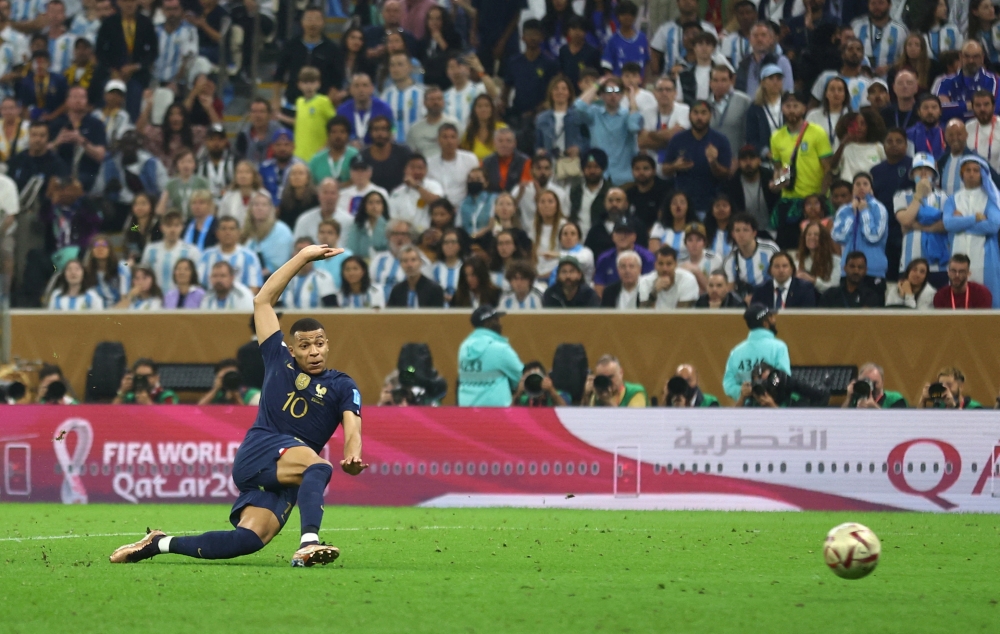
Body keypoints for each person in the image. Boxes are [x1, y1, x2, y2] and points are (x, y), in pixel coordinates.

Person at [111, 243, 366, 567]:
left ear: (327, 344)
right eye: (304, 346)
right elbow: (262, 300)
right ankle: (309, 543)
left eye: (319, 343)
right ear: (292, 349)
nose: (313, 351)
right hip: (262, 451)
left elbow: (352, 426)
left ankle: (158, 544)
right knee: (319, 466)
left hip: (290, 472)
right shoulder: (277, 358)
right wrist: (302, 258)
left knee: (248, 540)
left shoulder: (342, 385)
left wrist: (352, 455)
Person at [770, 91, 834, 249]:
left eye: (796, 106)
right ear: (782, 109)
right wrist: (776, 183)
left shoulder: (817, 132)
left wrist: (821, 197)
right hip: (789, 202)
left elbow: (828, 168)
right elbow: (779, 169)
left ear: (804, 108)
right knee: (789, 249)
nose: (791, 110)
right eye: (787, 106)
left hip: (814, 203)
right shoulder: (776, 137)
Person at [942, 154, 1000, 306]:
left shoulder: (991, 199)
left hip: (984, 257)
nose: (972, 173)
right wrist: (975, 218)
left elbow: (993, 225)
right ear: (962, 173)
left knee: (987, 298)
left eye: (976, 170)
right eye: (968, 170)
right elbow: (948, 224)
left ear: (982, 174)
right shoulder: (952, 199)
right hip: (958, 251)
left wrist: (960, 222)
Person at [662, 100, 732, 215]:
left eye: (704, 113)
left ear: (710, 116)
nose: (699, 117)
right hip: (684, 206)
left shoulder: (720, 140)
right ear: (689, 115)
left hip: (710, 206)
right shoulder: (678, 139)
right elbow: (665, 170)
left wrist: (713, 162)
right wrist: (675, 166)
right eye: (695, 113)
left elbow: (726, 174)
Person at [574, 75, 643, 186]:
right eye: (608, 91)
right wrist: (597, 85)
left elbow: (633, 127)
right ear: (601, 95)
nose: (613, 95)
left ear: (621, 95)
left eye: (617, 91)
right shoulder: (594, 113)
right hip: (599, 177)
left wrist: (632, 98)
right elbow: (578, 107)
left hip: (624, 178)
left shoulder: (628, 114)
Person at [893, 152, 950, 287]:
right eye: (919, 169)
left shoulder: (944, 197)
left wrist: (918, 226)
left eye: (928, 170)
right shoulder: (901, 195)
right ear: (912, 174)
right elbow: (906, 220)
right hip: (910, 261)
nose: (923, 173)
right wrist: (919, 194)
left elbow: (946, 225)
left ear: (934, 175)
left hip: (938, 264)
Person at [94, 0, 157, 119]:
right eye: (125, 1)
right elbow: (100, 51)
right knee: (106, 92)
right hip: (113, 73)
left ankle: (130, 130)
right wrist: (112, 70)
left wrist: (136, 66)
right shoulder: (109, 22)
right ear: (118, 2)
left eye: (132, 1)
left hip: (137, 75)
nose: (129, 4)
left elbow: (153, 52)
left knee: (134, 93)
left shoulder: (145, 23)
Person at [273, 6, 342, 114]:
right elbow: (279, 74)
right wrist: (276, 100)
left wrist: (326, 104)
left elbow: (337, 81)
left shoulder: (332, 49)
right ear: (302, 22)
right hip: (292, 105)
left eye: (317, 19)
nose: (312, 23)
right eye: (309, 19)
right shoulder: (291, 45)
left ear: (323, 22)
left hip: (319, 107)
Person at [455, 305, 523, 407]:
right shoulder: (500, 349)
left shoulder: (464, 347)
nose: (501, 323)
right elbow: (521, 378)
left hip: (467, 411)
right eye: (497, 319)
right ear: (489, 323)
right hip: (497, 414)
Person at [722, 304, 791, 402]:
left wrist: (744, 392)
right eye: (771, 317)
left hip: (747, 411)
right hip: (772, 407)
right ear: (765, 323)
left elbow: (728, 384)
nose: (774, 320)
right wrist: (767, 391)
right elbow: (784, 380)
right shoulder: (779, 348)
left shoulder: (736, 352)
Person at [47, 85, 106, 193]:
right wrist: (57, 142)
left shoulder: (96, 124)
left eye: (82, 97)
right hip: (59, 172)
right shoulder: (57, 124)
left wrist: (82, 141)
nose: (78, 101)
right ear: (67, 101)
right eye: (75, 97)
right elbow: (43, 151)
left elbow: (100, 156)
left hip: (86, 172)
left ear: (87, 101)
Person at [831, 172, 889, 281]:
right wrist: (852, 215)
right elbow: (838, 237)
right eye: (857, 184)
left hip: (872, 269)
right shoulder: (844, 210)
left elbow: (873, 237)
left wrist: (864, 212)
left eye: (865, 184)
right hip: (848, 270)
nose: (861, 187)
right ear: (853, 188)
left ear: (871, 188)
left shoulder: (879, 208)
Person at [504, 19, 558, 121]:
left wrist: (537, 111)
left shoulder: (550, 63)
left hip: (542, 116)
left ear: (542, 37)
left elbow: (554, 93)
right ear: (523, 38)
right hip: (517, 115)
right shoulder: (513, 62)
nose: (532, 38)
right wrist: (503, 104)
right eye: (529, 34)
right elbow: (506, 89)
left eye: (536, 34)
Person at [934, 40, 1000, 123]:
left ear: (982, 58)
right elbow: (939, 111)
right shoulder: (945, 82)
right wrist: (966, 106)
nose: (971, 61)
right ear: (960, 57)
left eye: (975, 56)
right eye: (967, 56)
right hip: (954, 131)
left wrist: (955, 109)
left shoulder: (994, 81)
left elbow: (993, 110)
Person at [638, 76, 690, 174]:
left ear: (675, 93)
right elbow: (642, 142)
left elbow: (674, 136)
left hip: (678, 167)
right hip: (652, 170)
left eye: (668, 90)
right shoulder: (646, 112)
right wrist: (669, 139)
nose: (664, 93)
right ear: (654, 93)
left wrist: (651, 134)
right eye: (660, 90)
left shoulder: (684, 110)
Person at [141, 210, 200, 292]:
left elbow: (196, 279)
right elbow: (143, 276)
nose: (172, 229)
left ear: (182, 227)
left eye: (176, 225)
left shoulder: (192, 251)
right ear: (162, 227)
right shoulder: (150, 250)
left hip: (181, 300)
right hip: (155, 300)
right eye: (169, 225)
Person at [593, 217, 655, 295]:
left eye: (627, 233)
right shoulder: (604, 258)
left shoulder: (647, 257)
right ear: (613, 236)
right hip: (610, 303)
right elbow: (599, 287)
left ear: (634, 236)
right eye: (619, 232)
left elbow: (650, 285)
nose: (623, 236)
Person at [722, 213, 780, 296]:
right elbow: (730, 289)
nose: (741, 235)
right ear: (733, 234)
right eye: (737, 230)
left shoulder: (770, 249)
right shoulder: (730, 259)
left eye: (745, 230)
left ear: (754, 233)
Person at [199, 216, 263, 291]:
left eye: (232, 229)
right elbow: (198, 284)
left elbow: (255, 287)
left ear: (239, 233)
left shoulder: (250, 257)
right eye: (223, 229)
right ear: (217, 233)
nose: (227, 232)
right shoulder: (206, 256)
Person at [534, 74, 587, 161]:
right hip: (549, 165)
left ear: (569, 93)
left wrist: (578, 149)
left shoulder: (579, 116)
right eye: (556, 89)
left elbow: (588, 141)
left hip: (572, 164)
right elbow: (538, 145)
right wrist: (539, 151)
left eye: (564, 89)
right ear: (551, 92)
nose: (560, 92)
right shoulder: (541, 118)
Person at [707, 65, 752, 163]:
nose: (719, 84)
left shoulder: (744, 101)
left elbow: (749, 135)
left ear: (731, 81)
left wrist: (741, 158)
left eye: (723, 80)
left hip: (738, 161)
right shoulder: (705, 105)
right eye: (715, 80)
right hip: (711, 162)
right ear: (710, 83)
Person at [336, 73, 394, 146]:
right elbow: (337, 135)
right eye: (356, 86)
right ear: (350, 90)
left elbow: (391, 134)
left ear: (372, 88)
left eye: (365, 85)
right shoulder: (342, 110)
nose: (361, 90)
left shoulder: (384, 109)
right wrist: (349, 144)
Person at [636, 245, 699, 310]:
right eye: (660, 264)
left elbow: (682, 316)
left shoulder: (688, 280)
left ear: (676, 264)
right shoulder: (645, 281)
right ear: (655, 265)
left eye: (669, 264)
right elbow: (644, 315)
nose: (664, 269)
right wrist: (654, 293)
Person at [362, 115, 411, 193]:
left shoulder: (403, 153)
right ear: (370, 132)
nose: (380, 133)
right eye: (376, 129)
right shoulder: (362, 156)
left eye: (383, 129)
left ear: (389, 132)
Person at [750, 250, 817, 308]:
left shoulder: (805, 289)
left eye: (785, 266)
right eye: (777, 266)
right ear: (770, 270)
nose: (781, 270)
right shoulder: (760, 290)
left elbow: (808, 316)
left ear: (792, 269)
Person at [746, 64, 786, 159]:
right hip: (766, 159)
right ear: (762, 82)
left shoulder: (788, 103)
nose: (775, 82)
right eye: (771, 78)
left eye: (779, 78)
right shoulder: (755, 108)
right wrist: (766, 153)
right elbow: (751, 138)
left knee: (785, 174)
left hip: (788, 156)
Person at [407, 87, 459, 159]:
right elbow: (411, 154)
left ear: (443, 102)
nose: (436, 102)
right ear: (424, 103)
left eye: (439, 99)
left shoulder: (454, 124)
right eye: (432, 100)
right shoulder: (415, 129)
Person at [820, 250, 885, 307]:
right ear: (845, 268)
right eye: (852, 266)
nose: (856, 271)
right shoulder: (830, 295)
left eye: (860, 267)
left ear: (865, 270)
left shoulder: (871, 296)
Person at [157, 149, 210, 219]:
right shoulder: (170, 184)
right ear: (176, 164)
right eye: (182, 162)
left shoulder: (202, 182)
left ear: (194, 164)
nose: (186, 165)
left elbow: (210, 204)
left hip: (197, 220)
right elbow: (161, 207)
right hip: (176, 222)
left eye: (189, 162)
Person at [793, 221, 842, 294]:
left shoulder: (836, 261)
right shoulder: (798, 262)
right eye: (809, 234)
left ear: (823, 238)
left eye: (816, 234)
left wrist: (813, 280)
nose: (812, 237)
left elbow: (833, 288)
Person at [308, 117, 358, 186]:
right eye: (334, 132)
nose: (338, 136)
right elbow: (309, 185)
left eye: (342, 132)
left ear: (348, 135)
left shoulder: (356, 156)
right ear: (328, 135)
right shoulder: (316, 160)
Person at [582, 354, 647, 407]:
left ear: (621, 373)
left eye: (610, 377)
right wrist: (585, 396)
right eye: (602, 378)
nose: (607, 382)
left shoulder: (634, 392)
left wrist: (607, 401)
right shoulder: (596, 393)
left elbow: (632, 421)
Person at [235, 99, 283, 168]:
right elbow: (239, 161)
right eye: (254, 112)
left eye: (262, 112)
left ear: (269, 115)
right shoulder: (243, 136)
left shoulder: (280, 134)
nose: (257, 115)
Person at [461, 94, 508, 162]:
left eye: (487, 106)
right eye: (479, 106)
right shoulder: (468, 133)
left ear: (492, 109)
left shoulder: (502, 128)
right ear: (474, 110)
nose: (483, 109)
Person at [111, 358, 180, 405]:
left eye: (147, 376)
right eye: (139, 376)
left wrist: (148, 404)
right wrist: (122, 392)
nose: (143, 380)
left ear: (156, 378)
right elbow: (112, 415)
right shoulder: (130, 396)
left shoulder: (166, 396)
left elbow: (170, 420)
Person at [482, 127, 528, 194]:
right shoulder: (486, 162)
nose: (504, 145)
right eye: (500, 141)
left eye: (508, 141)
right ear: (494, 143)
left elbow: (526, 187)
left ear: (515, 143)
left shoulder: (525, 162)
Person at [918, 367, 983, 409]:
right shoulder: (939, 405)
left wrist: (953, 406)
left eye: (949, 385)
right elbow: (918, 424)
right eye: (942, 385)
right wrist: (923, 401)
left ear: (961, 386)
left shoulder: (974, 407)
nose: (946, 389)